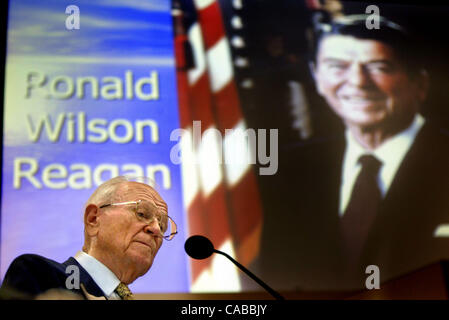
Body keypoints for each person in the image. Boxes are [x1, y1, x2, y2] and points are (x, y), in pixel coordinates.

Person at [257, 14, 449, 291]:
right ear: (317, 78)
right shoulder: (289, 169)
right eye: (338, 67)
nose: (358, 81)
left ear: (420, 84)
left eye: (379, 67)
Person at [0, 176, 177, 299]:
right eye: (141, 213)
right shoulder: (41, 276)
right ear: (93, 219)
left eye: (162, 226)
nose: (155, 229)